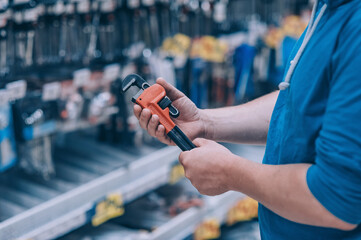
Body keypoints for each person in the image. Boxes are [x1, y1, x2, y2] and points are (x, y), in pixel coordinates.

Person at [134, 0, 361, 238]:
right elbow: (300, 101)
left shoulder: (355, 24)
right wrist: (204, 122)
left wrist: (229, 172)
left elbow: (336, 198)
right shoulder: (331, 8)